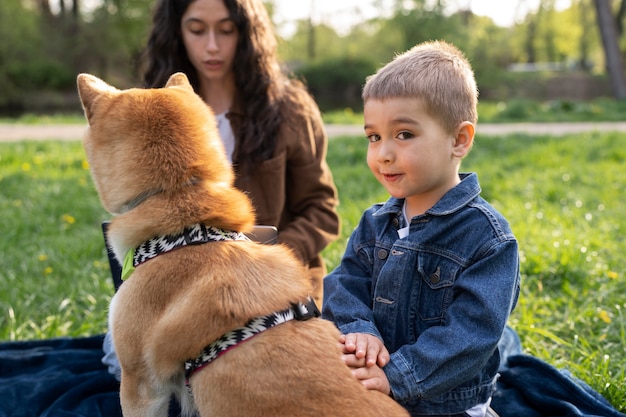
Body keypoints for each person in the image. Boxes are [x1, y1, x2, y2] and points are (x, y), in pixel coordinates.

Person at [102, 0, 340, 381]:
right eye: (197, 30)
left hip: (269, 286)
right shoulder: (155, 108)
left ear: (247, 35)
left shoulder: (290, 108)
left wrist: (259, 257)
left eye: (226, 30)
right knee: (127, 364)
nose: (212, 45)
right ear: (176, 32)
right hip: (182, 290)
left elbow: (322, 211)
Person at [321, 40, 520, 417]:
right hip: (371, 391)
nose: (383, 154)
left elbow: (471, 334)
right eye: (374, 137)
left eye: (404, 135)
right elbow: (344, 282)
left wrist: (397, 375)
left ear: (459, 140)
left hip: (448, 406)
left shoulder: (487, 239)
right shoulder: (375, 222)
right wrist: (359, 328)